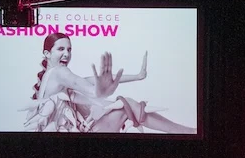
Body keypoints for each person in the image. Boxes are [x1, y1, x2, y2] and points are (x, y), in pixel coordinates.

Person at [24, 34, 194, 134]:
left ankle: (187, 132)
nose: (67, 54)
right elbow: (92, 88)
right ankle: (188, 133)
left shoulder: (53, 77)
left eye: (69, 49)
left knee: (125, 105)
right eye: (60, 49)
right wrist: (101, 91)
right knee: (128, 105)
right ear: (47, 53)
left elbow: (93, 80)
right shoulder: (60, 72)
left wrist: (137, 76)